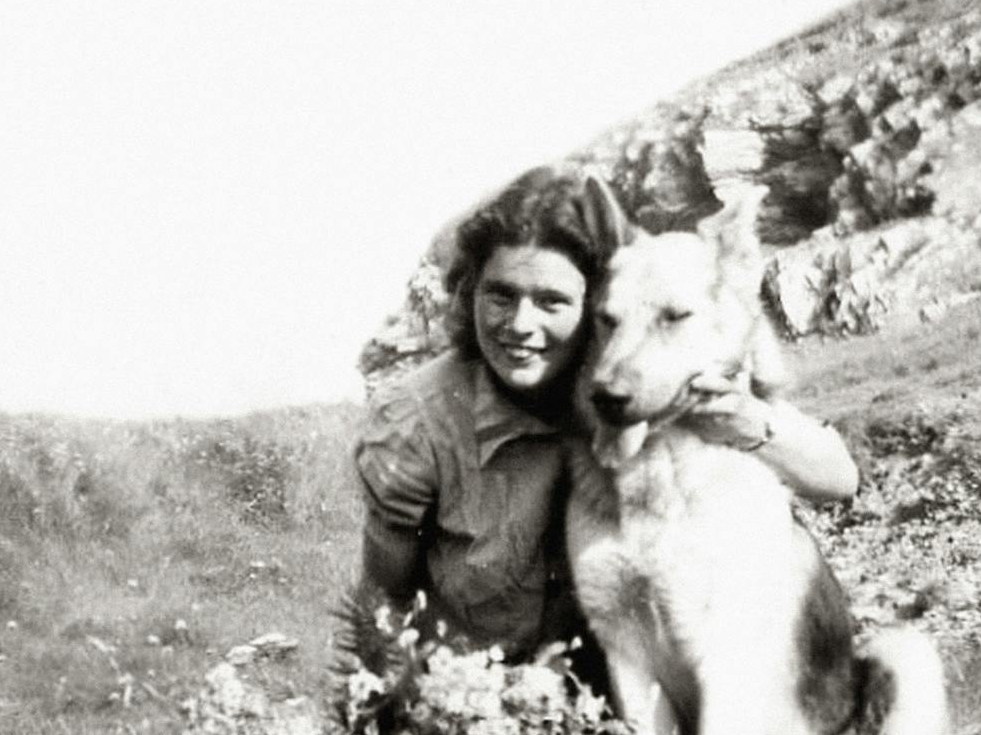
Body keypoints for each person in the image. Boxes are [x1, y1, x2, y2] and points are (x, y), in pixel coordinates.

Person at [349, 166, 859, 674]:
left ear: (599, 303)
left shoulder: (651, 382)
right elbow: (381, 602)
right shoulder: (417, 423)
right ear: (470, 293)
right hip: (499, 696)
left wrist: (746, 422)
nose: (520, 326)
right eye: (500, 295)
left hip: (646, 682)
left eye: (552, 302)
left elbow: (836, 478)